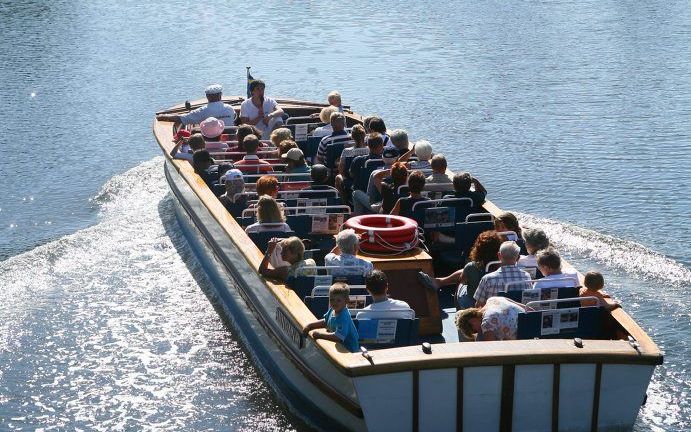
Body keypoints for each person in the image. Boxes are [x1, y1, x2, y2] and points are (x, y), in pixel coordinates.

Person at [418, 231, 503, 309]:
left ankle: (458, 312)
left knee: (460, 282)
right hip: (500, 304)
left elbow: (464, 280)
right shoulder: (505, 266)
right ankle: (439, 282)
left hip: (473, 305)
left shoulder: (471, 267)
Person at [303, 283, 360, 353]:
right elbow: (325, 322)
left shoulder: (344, 317)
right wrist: (310, 326)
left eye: (338, 300)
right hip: (339, 347)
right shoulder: (332, 310)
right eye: (332, 300)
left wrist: (320, 335)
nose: (334, 303)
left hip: (349, 350)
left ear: (347, 301)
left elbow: (339, 337)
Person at [473, 241, 531, 307]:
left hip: (494, 315)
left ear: (499, 256)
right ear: (518, 258)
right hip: (519, 315)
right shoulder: (526, 277)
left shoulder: (488, 279)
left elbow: (479, 305)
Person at [157, 84, 236, 127]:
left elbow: (181, 119)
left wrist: (163, 116)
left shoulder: (202, 111)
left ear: (207, 97)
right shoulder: (230, 109)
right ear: (220, 95)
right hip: (230, 139)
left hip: (210, 141)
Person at [455, 296, 528, 341]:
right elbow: (526, 307)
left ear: (472, 322)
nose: (477, 332)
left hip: (525, 337)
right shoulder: (492, 299)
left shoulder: (486, 324)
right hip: (534, 321)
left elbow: (492, 350)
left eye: (474, 331)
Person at [352, 147, 398, 215]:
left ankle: (360, 220)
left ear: (382, 158)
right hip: (398, 203)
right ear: (397, 158)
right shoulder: (403, 172)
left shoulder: (375, 173)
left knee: (356, 193)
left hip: (380, 206)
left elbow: (370, 196)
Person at [336, 124, 369, 197]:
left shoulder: (346, 151)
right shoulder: (370, 150)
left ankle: (345, 202)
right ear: (364, 135)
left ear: (352, 136)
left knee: (338, 177)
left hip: (353, 183)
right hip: (368, 181)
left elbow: (341, 171)